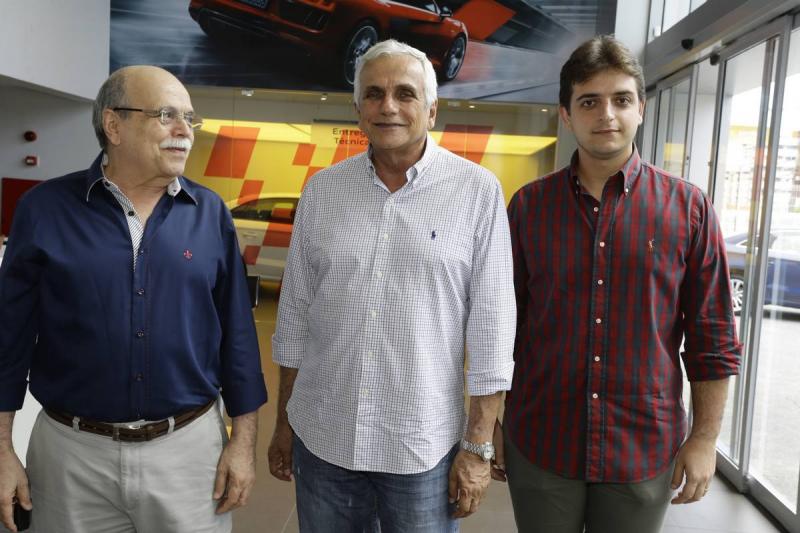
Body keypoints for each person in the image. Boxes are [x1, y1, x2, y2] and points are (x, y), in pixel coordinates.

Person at [0, 66, 268, 533]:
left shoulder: (210, 215)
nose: (185, 130)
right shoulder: (44, 210)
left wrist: (243, 445)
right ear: (114, 125)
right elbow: (8, 339)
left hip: (188, 457)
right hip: (71, 459)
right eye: (167, 115)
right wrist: (2, 451)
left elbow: (238, 340)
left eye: (189, 118)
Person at [494, 35, 742, 533]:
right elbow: (499, 328)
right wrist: (489, 424)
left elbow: (713, 338)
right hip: (542, 439)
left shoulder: (689, 209)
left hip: (643, 446)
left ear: (641, 109)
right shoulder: (528, 207)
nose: (606, 114)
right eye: (589, 101)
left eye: (621, 99)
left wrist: (704, 438)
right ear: (566, 115)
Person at [267, 39, 516, 531]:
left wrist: (478, 446)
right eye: (374, 94)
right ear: (358, 110)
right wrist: (284, 422)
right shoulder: (322, 191)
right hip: (324, 440)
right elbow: (294, 319)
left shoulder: (476, 192)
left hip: (422, 450)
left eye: (405, 93)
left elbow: (492, 331)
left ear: (432, 109)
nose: (388, 106)